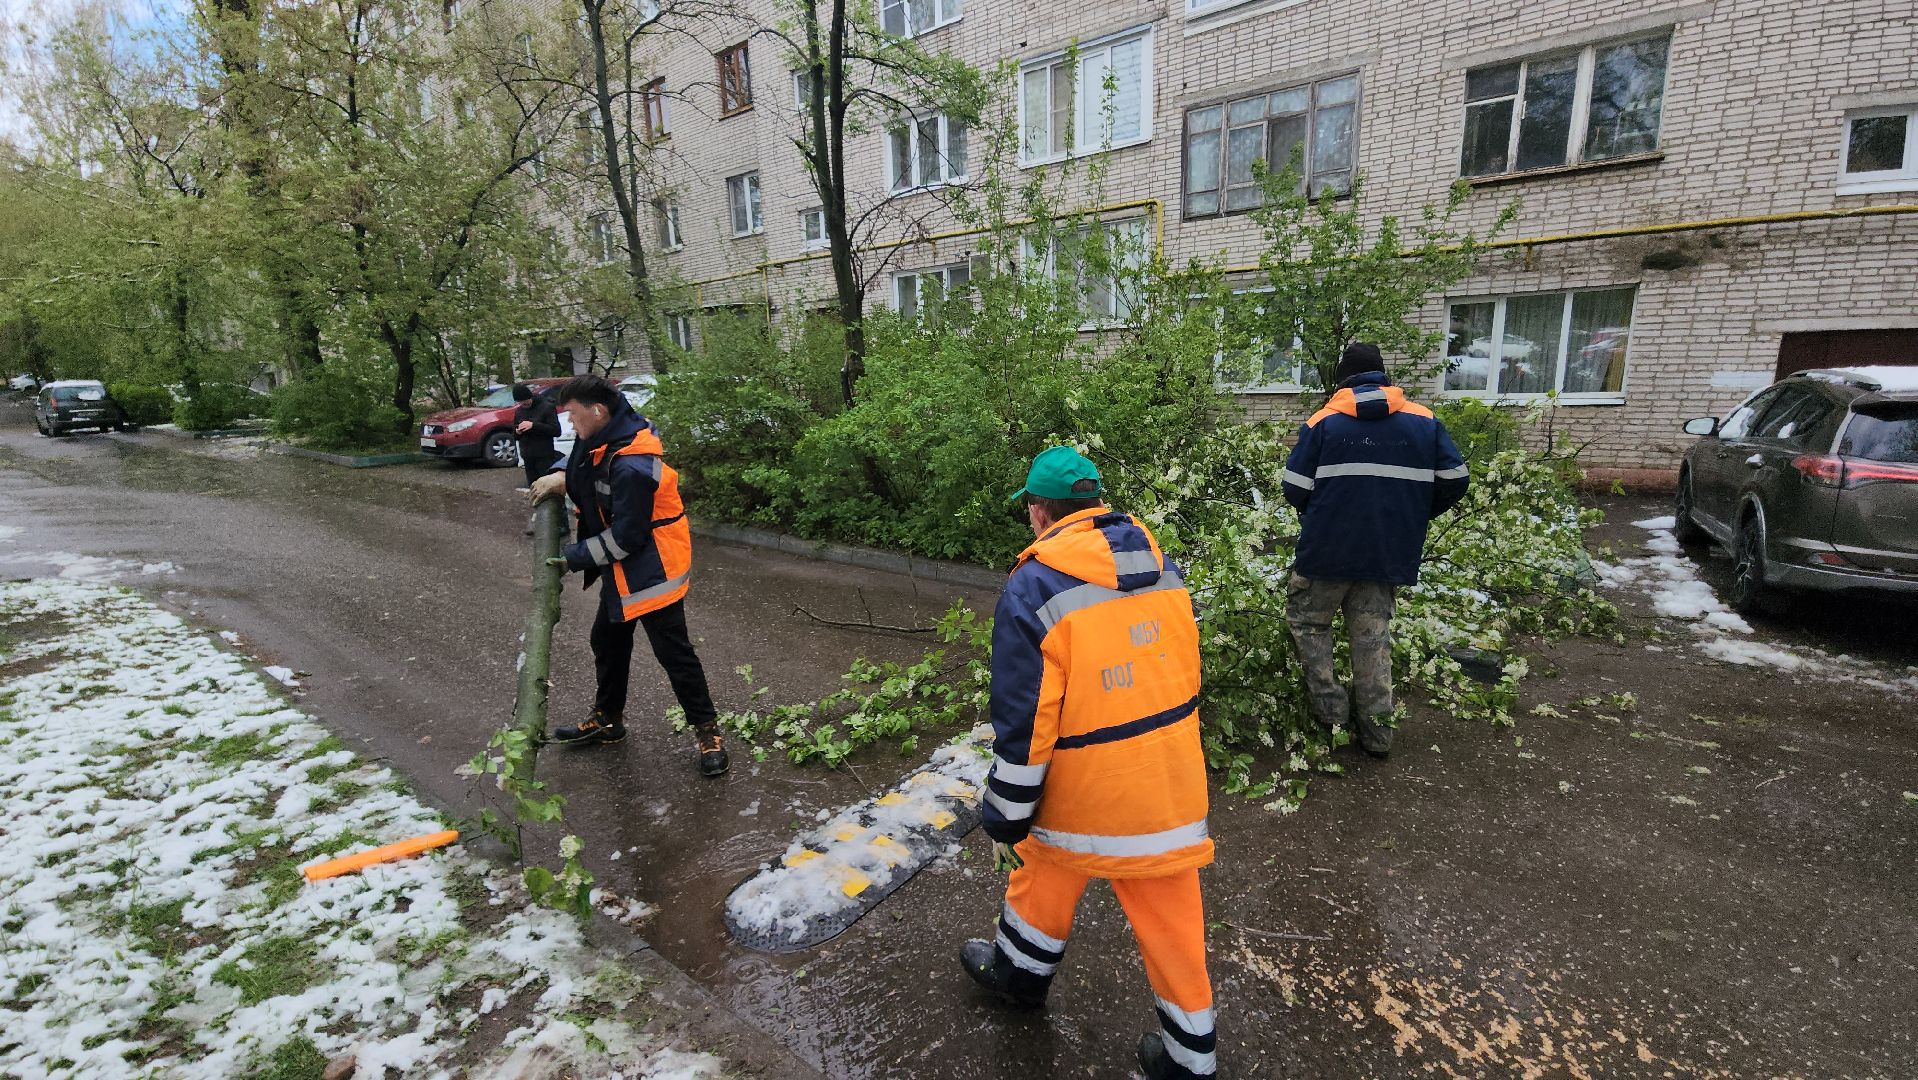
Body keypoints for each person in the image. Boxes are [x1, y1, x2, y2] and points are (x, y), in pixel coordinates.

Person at [958, 446, 1217, 1080]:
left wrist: (1006, 816)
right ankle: (1190, 1058)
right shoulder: (1163, 565)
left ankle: (1019, 976)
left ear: (1038, 513)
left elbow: (1026, 720)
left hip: (1085, 792)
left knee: (1040, 858)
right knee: (1174, 923)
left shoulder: (1034, 586)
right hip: (1168, 787)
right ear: (1097, 504)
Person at [527, 375, 728, 778]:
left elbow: (628, 537)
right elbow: (585, 464)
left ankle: (708, 733)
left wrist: (573, 558)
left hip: (654, 569)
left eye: (572, 415)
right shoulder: (605, 433)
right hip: (622, 571)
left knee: (675, 655)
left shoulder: (634, 464)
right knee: (607, 640)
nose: (570, 425)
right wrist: (561, 476)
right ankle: (608, 720)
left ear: (598, 411)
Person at [1280, 342, 1470, 759]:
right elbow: (1456, 478)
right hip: (1386, 551)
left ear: (1342, 380)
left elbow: (1293, 487)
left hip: (1325, 551)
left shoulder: (1324, 423)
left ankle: (1331, 716)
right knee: (1372, 639)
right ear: (1384, 377)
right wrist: (1412, 513)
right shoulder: (1423, 421)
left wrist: (1325, 511)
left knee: (1310, 623)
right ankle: (1377, 734)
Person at [511, 383, 563, 489]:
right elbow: (515, 434)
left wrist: (534, 425)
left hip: (544, 455)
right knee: (533, 487)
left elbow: (556, 431)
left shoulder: (546, 407)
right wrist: (518, 432)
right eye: (520, 402)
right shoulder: (519, 411)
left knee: (546, 486)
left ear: (530, 397)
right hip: (527, 455)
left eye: (525, 401)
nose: (523, 404)